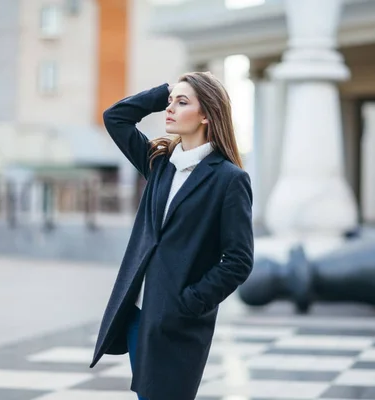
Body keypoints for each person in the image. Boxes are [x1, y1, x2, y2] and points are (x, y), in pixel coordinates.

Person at [89, 71, 254, 400]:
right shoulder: (159, 163)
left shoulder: (229, 179)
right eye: (170, 102)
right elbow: (116, 118)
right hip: (140, 315)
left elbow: (238, 260)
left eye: (182, 102)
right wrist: (168, 89)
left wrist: (190, 302)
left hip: (180, 319)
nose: (170, 109)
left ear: (207, 114)